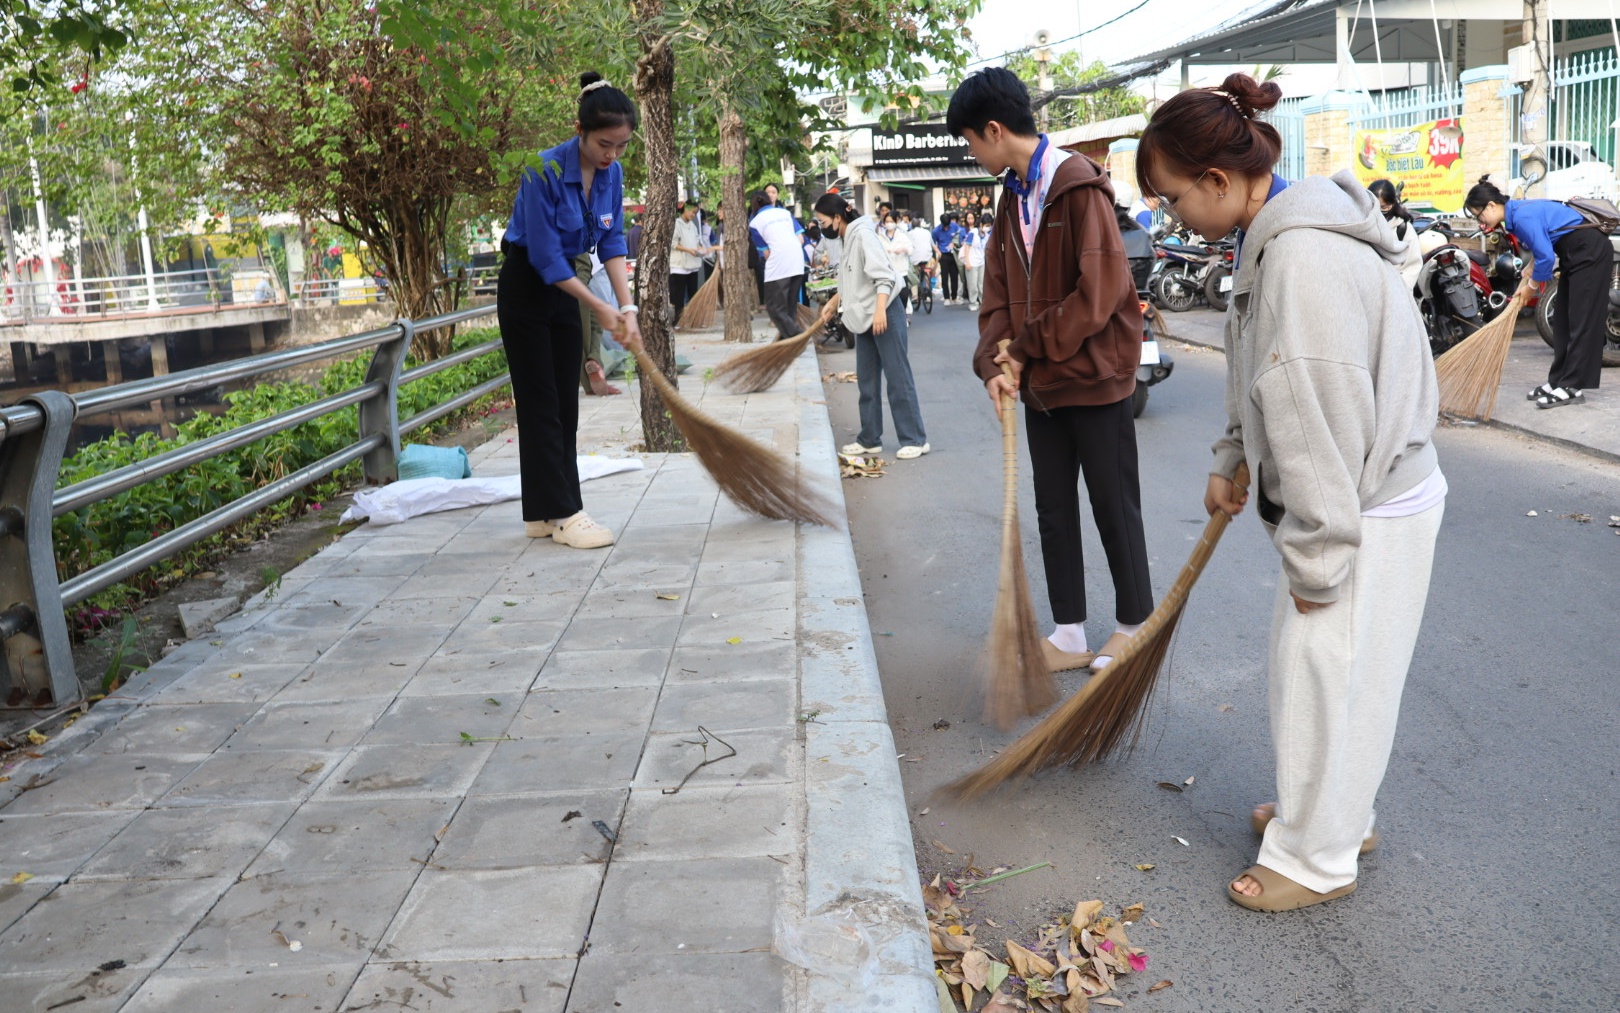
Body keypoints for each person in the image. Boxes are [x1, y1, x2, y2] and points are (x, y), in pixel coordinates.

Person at [1137, 73, 1445, 912]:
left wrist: (1318, 554)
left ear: (1217, 180)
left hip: (1366, 500)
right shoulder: (1270, 233)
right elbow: (1257, 369)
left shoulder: (1302, 258)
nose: (1173, 218)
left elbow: (1319, 420)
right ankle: (1330, 815)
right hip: (1361, 490)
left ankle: (1316, 855)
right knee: (1327, 673)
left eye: (1173, 199)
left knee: (1327, 678)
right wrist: (1233, 452)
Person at [949, 65, 1152, 677]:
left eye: (970, 141)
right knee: (1054, 510)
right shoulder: (1012, 197)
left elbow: (1101, 292)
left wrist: (1026, 347)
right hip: (1041, 386)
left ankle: (1133, 626)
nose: (971, 154)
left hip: (1095, 378)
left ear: (993, 130)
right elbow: (998, 294)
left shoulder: (1077, 185)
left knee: (1113, 505)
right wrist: (992, 361)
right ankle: (1069, 633)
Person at [497, 71, 641, 550]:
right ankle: (564, 513)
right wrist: (600, 306)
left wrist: (626, 306)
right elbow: (545, 257)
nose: (612, 155)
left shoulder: (612, 175)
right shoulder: (542, 170)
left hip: (568, 288)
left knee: (565, 402)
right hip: (528, 285)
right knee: (539, 402)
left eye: (621, 146)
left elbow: (613, 241)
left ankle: (542, 513)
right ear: (579, 130)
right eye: (604, 144)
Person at [1465, 176, 1607, 408]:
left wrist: (1530, 288)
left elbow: (1546, 258)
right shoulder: (1516, 214)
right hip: (1575, 254)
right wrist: (1529, 270)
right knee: (1562, 319)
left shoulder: (1521, 216)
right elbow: (1544, 245)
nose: (1479, 221)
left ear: (1490, 206)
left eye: (1478, 214)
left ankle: (1572, 386)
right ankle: (1558, 380)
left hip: (1590, 251)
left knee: (1580, 320)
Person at [812, 192, 929, 459]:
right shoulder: (847, 237)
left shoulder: (863, 235)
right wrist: (835, 301)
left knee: (898, 377)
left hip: (883, 312)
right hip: (864, 315)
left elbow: (884, 277)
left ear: (837, 218)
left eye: (823, 222)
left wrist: (880, 312)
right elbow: (855, 278)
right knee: (867, 381)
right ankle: (869, 439)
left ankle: (914, 439)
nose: (821, 227)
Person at [750, 190, 807, 339]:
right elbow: (801, 239)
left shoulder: (754, 223)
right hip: (797, 262)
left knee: (774, 308)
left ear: (753, 205)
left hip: (778, 265)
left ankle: (798, 334)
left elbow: (766, 253)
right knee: (790, 307)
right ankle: (790, 343)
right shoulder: (785, 213)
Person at [1367, 178, 1422, 293]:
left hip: (1396, 290)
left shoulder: (1403, 227)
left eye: (1384, 207)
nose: (1380, 211)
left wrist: (1399, 289)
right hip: (1369, 288)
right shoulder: (1362, 225)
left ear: (1393, 203)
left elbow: (1413, 264)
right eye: (1376, 206)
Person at [669, 199, 704, 321]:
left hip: (693, 264)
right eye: (692, 212)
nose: (693, 215)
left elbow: (696, 241)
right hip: (680, 266)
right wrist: (688, 250)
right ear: (685, 209)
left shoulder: (692, 226)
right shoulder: (676, 224)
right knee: (679, 296)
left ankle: (693, 319)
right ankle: (678, 320)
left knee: (693, 294)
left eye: (695, 213)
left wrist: (701, 249)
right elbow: (673, 243)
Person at [906, 212, 936, 313]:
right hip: (927, 257)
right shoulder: (927, 232)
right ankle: (927, 289)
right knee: (927, 270)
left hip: (914, 259)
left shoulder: (909, 234)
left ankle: (915, 296)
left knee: (913, 275)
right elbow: (932, 245)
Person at [959, 210, 987, 311]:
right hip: (972, 262)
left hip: (981, 262)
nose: (988, 227)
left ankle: (983, 302)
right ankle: (973, 302)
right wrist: (967, 262)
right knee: (972, 285)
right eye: (986, 225)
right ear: (981, 224)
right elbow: (967, 247)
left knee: (981, 284)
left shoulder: (987, 235)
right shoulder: (973, 233)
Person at [934, 213, 964, 305]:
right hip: (943, 254)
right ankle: (946, 297)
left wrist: (956, 243)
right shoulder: (936, 230)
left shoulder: (955, 226)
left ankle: (954, 297)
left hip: (953, 253)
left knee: (954, 276)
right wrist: (938, 252)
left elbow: (960, 235)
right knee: (944, 276)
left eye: (947, 226)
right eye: (945, 226)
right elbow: (933, 243)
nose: (946, 228)